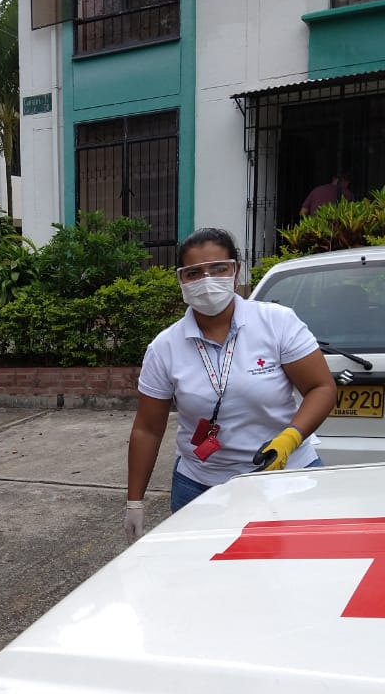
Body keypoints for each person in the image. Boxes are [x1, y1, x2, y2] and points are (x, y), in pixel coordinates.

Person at [123, 228, 337, 540]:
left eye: (218, 269)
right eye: (193, 273)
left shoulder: (277, 323)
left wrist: (290, 439)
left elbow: (322, 388)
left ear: (235, 272)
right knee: (205, 580)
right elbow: (147, 428)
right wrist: (134, 502)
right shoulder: (165, 347)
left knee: (292, 575)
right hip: (201, 486)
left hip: (287, 477)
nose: (206, 280)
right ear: (181, 280)